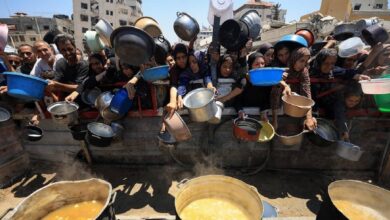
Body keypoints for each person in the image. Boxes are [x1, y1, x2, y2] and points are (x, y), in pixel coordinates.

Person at [272, 47, 317, 130]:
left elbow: (306, 91)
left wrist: (309, 118)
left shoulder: (304, 70)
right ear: (294, 58)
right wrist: (274, 121)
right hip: (279, 100)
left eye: (306, 61)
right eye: (301, 61)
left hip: (295, 100)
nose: (303, 64)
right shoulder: (283, 68)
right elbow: (276, 86)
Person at [236, 52, 271, 121]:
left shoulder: (267, 81)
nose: (260, 66)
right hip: (244, 117)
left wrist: (264, 111)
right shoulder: (244, 80)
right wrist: (240, 111)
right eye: (257, 64)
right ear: (250, 66)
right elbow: (237, 100)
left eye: (262, 63)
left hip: (260, 117)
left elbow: (266, 99)